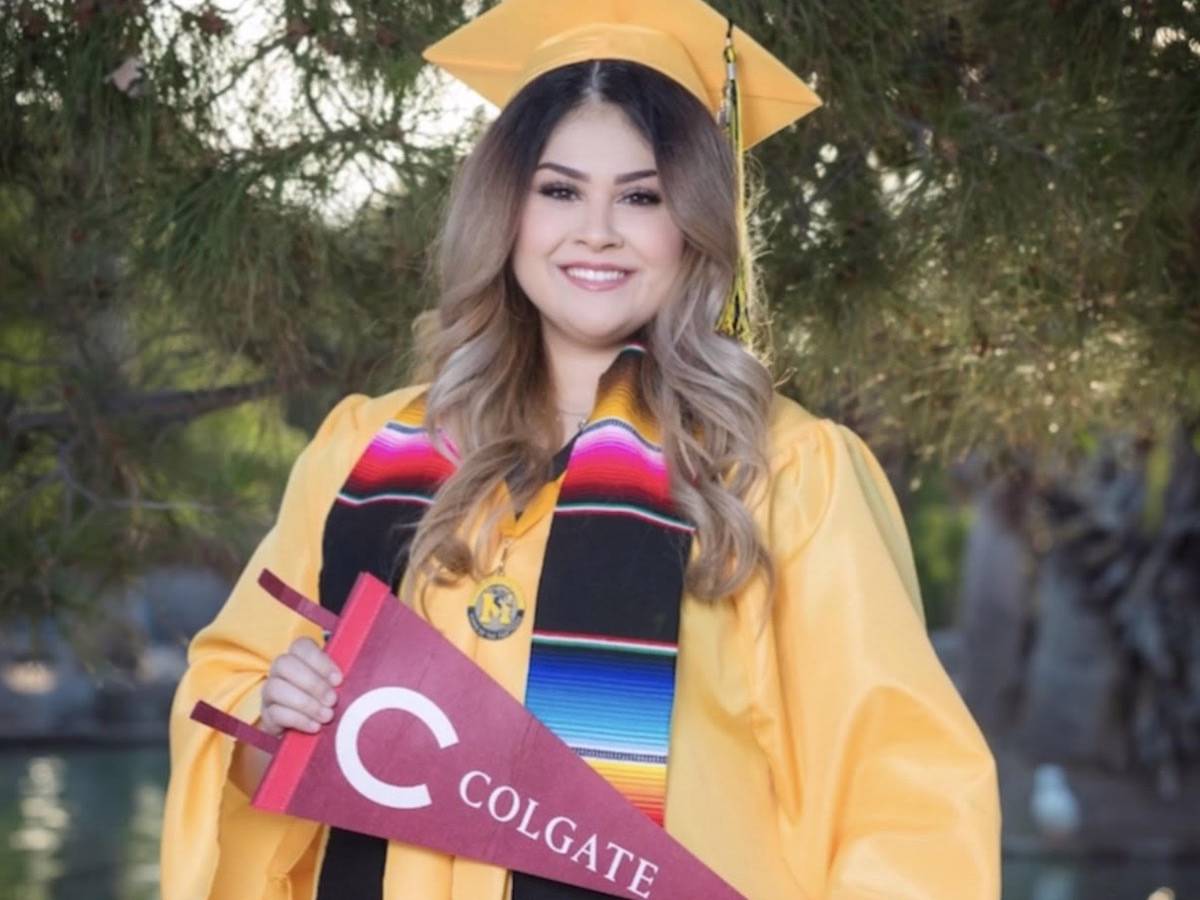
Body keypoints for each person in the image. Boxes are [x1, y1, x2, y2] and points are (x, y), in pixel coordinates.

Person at [161, 1, 1001, 898]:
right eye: (559, 190)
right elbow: (234, 711)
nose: (596, 230)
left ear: (697, 225)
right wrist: (273, 719)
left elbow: (898, 794)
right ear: (506, 211)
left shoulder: (776, 472)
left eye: (642, 196)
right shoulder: (366, 451)